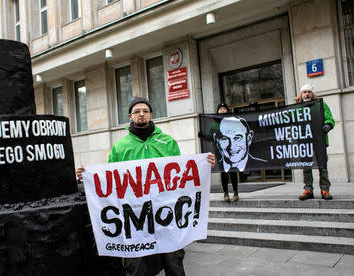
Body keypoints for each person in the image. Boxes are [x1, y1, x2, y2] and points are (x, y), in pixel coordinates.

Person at [77, 97, 216, 276]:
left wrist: (202, 165)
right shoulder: (120, 147)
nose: (141, 114)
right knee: (136, 268)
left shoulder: (168, 141)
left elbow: (182, 174)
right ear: (130, 116)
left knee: (174, 265)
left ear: (150, 114)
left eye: (145, 111)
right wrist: (87, 175)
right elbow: (109, 178)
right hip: (135, 220)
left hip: (167, 216)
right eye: (137, 111)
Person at [296, 84, 334, 201]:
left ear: (312, 94)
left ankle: (325, 190)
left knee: (322, 166)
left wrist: (328, 124)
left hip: (319, 141)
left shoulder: (321, 105)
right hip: (304, 142)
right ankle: (308, 190)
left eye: (308, 92)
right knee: (306, 167)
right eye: (304, 92)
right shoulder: (297, 107)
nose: (306, 94)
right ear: (301, 95)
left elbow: (329, 118)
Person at [216, 103, 239, 202]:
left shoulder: (232, 121)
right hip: (221, 151)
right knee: (224, 172)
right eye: (220, 109)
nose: (222, 110)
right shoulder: (214, 122)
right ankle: (225, 193)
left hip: (232, 151)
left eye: (224, 109)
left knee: (233, 171)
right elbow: (210, 135)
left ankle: (235, 192)